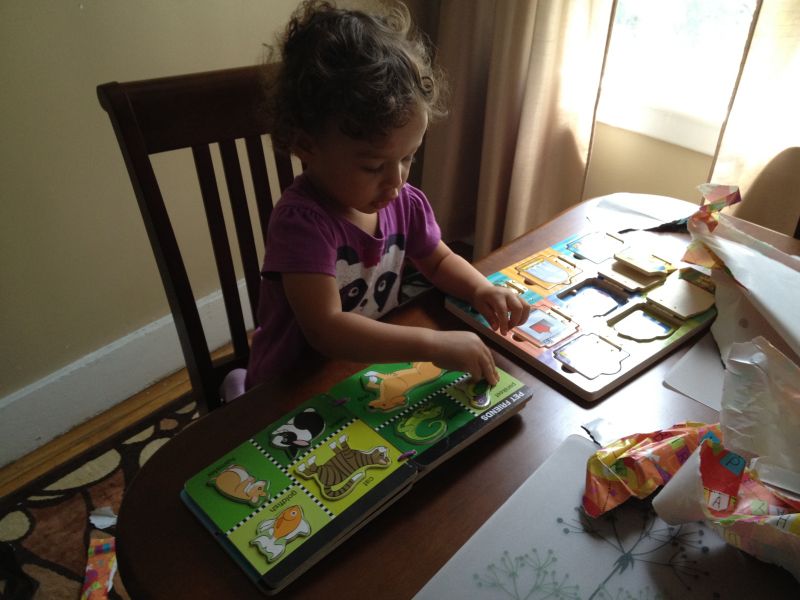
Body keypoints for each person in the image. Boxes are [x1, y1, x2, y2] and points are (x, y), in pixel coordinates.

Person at [245, 0, 530, 391]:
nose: (396, 181)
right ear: (305, 145)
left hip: (363, 368)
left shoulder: (403, 202)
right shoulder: (301, 224)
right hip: (292, 385)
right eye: (373, 166)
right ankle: (238, 384)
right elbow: (326, 329)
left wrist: (481, 288)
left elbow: (437, 260)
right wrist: (431, 343)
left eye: (408, 157)